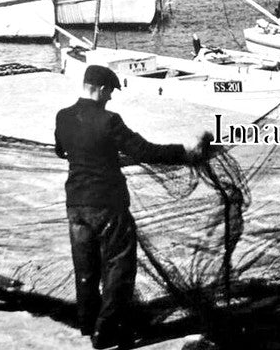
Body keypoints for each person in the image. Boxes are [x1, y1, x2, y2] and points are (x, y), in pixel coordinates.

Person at [55, 64, 212, 349]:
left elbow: (61, 150)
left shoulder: (63, 116)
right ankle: (104, 332)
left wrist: (99, 155)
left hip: (75, 204)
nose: (111, 98)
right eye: (110, 92)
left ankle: (87, 323)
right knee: (119, 268)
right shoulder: (109, 120)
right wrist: (184, 152)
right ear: (101, 89)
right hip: (108, 205)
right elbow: (145, 150)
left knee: (85, 268)